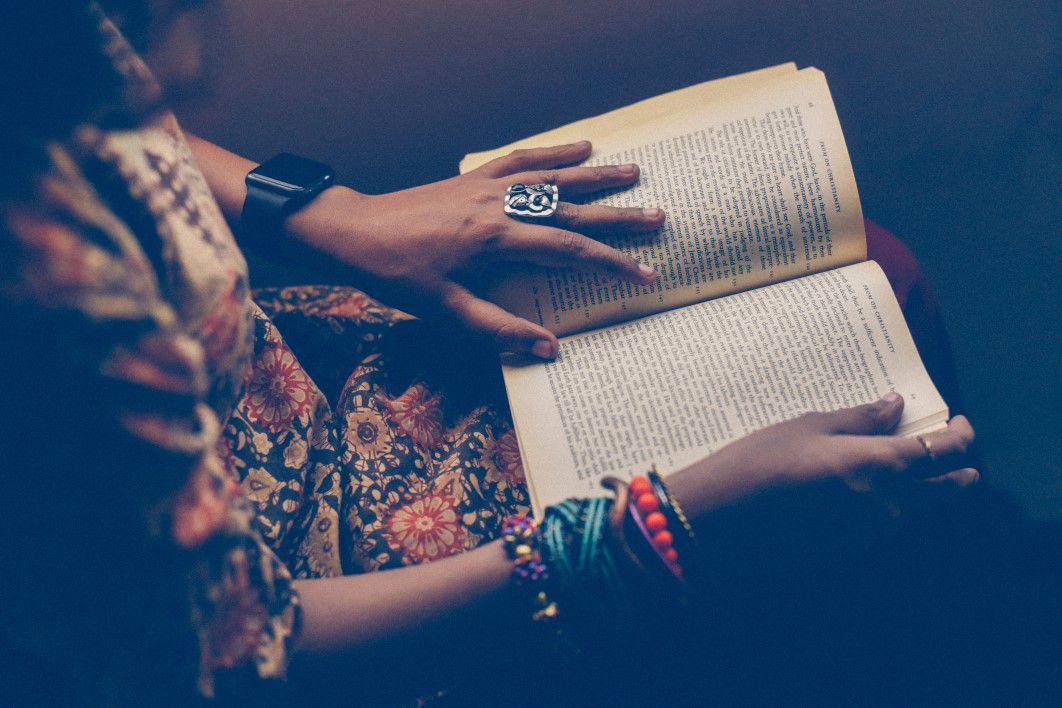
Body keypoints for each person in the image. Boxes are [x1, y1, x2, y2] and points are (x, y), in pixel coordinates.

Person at [0, 1, 980, 704]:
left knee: (878, 273)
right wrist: (660, 527)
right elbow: (240, 650)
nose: (189, 77)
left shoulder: (53, 53)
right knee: (847, 544)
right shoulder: (49, 326)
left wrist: (337, 215)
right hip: (338, 606)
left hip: (300, 371)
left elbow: (134, 119)